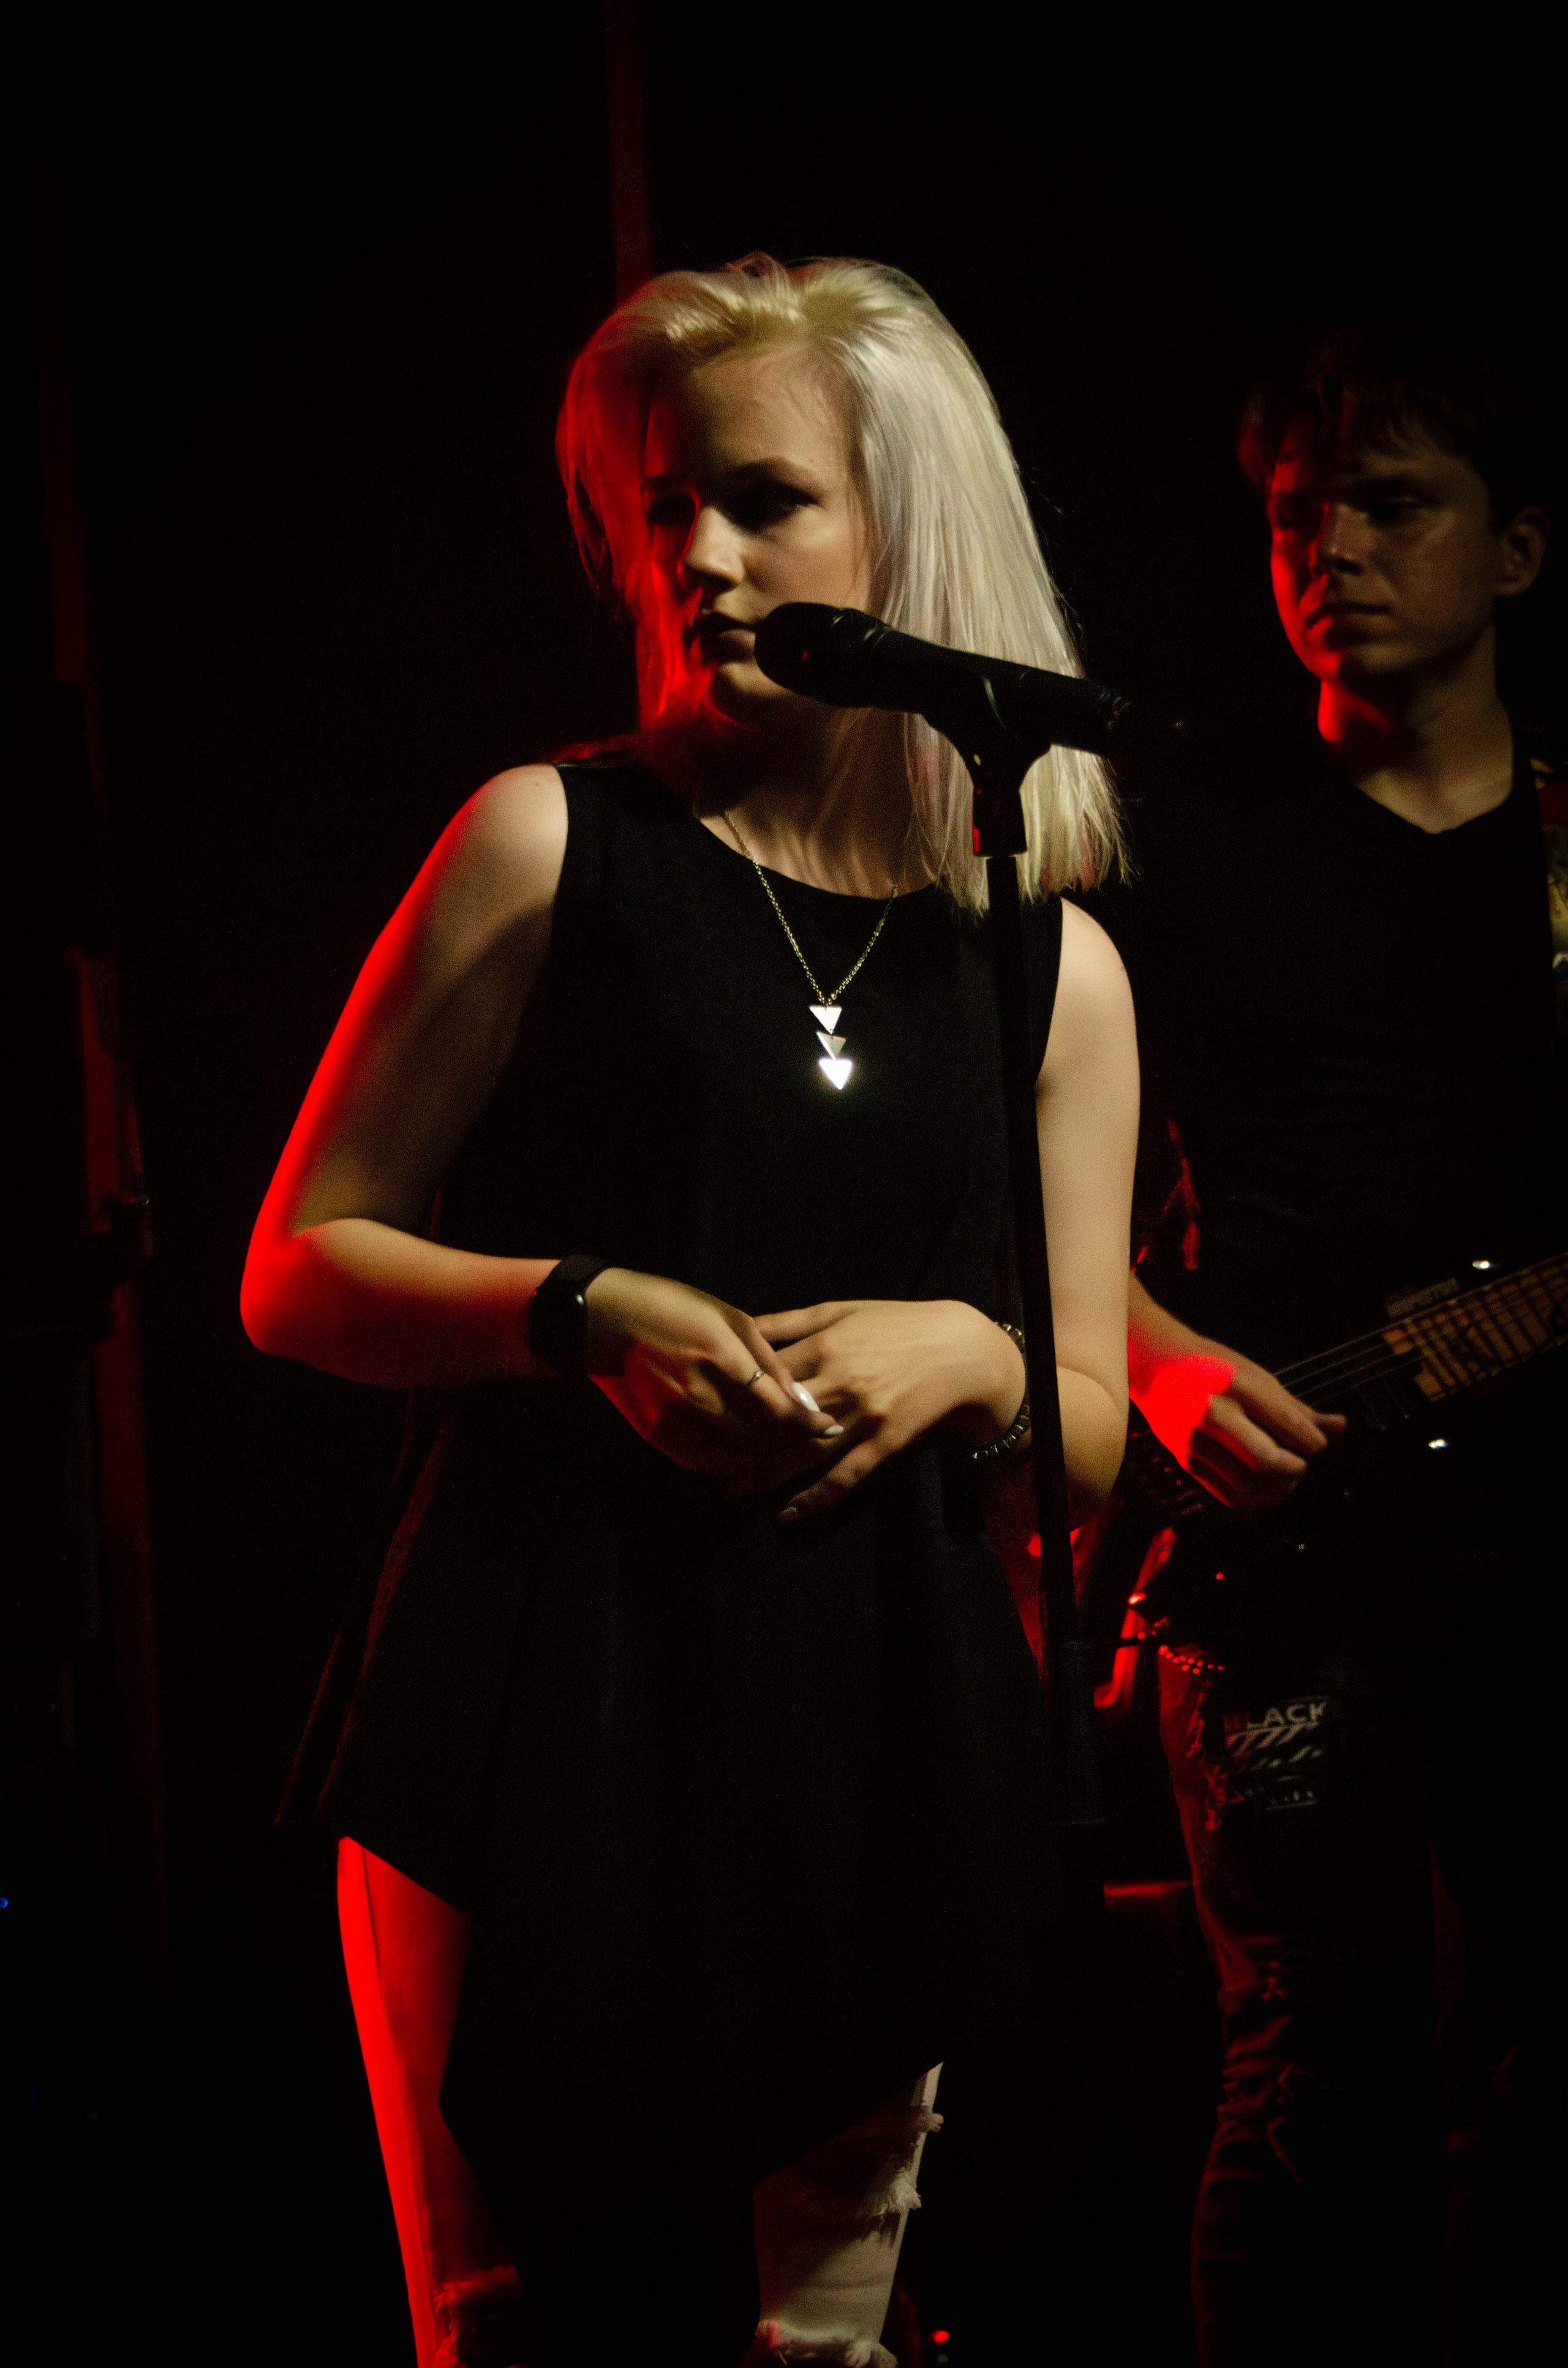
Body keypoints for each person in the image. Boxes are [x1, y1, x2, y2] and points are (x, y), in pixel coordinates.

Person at [242, 254, 1138, 2368]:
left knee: (813, 2346)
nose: (703, 557)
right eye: (665, 508)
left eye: (765, 500)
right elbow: (296, 1264)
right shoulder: (548, 841)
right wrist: (581, 1308)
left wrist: (988, 1352)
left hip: (875, 1720)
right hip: (530, 1680)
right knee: (513, 2322)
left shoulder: (1048, 966)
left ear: (912, 525)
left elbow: (1093, 1421)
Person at [1110, 328, 1563, 2364]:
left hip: (1545, 1534)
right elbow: (1012, 1185)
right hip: (1275, 1542)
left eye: (1397, 505)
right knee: (1314, 2083)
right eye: (1302, 519)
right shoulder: (1176, 828)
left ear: (1521, 548)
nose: (1338, 555)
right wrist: (1161, 1366)